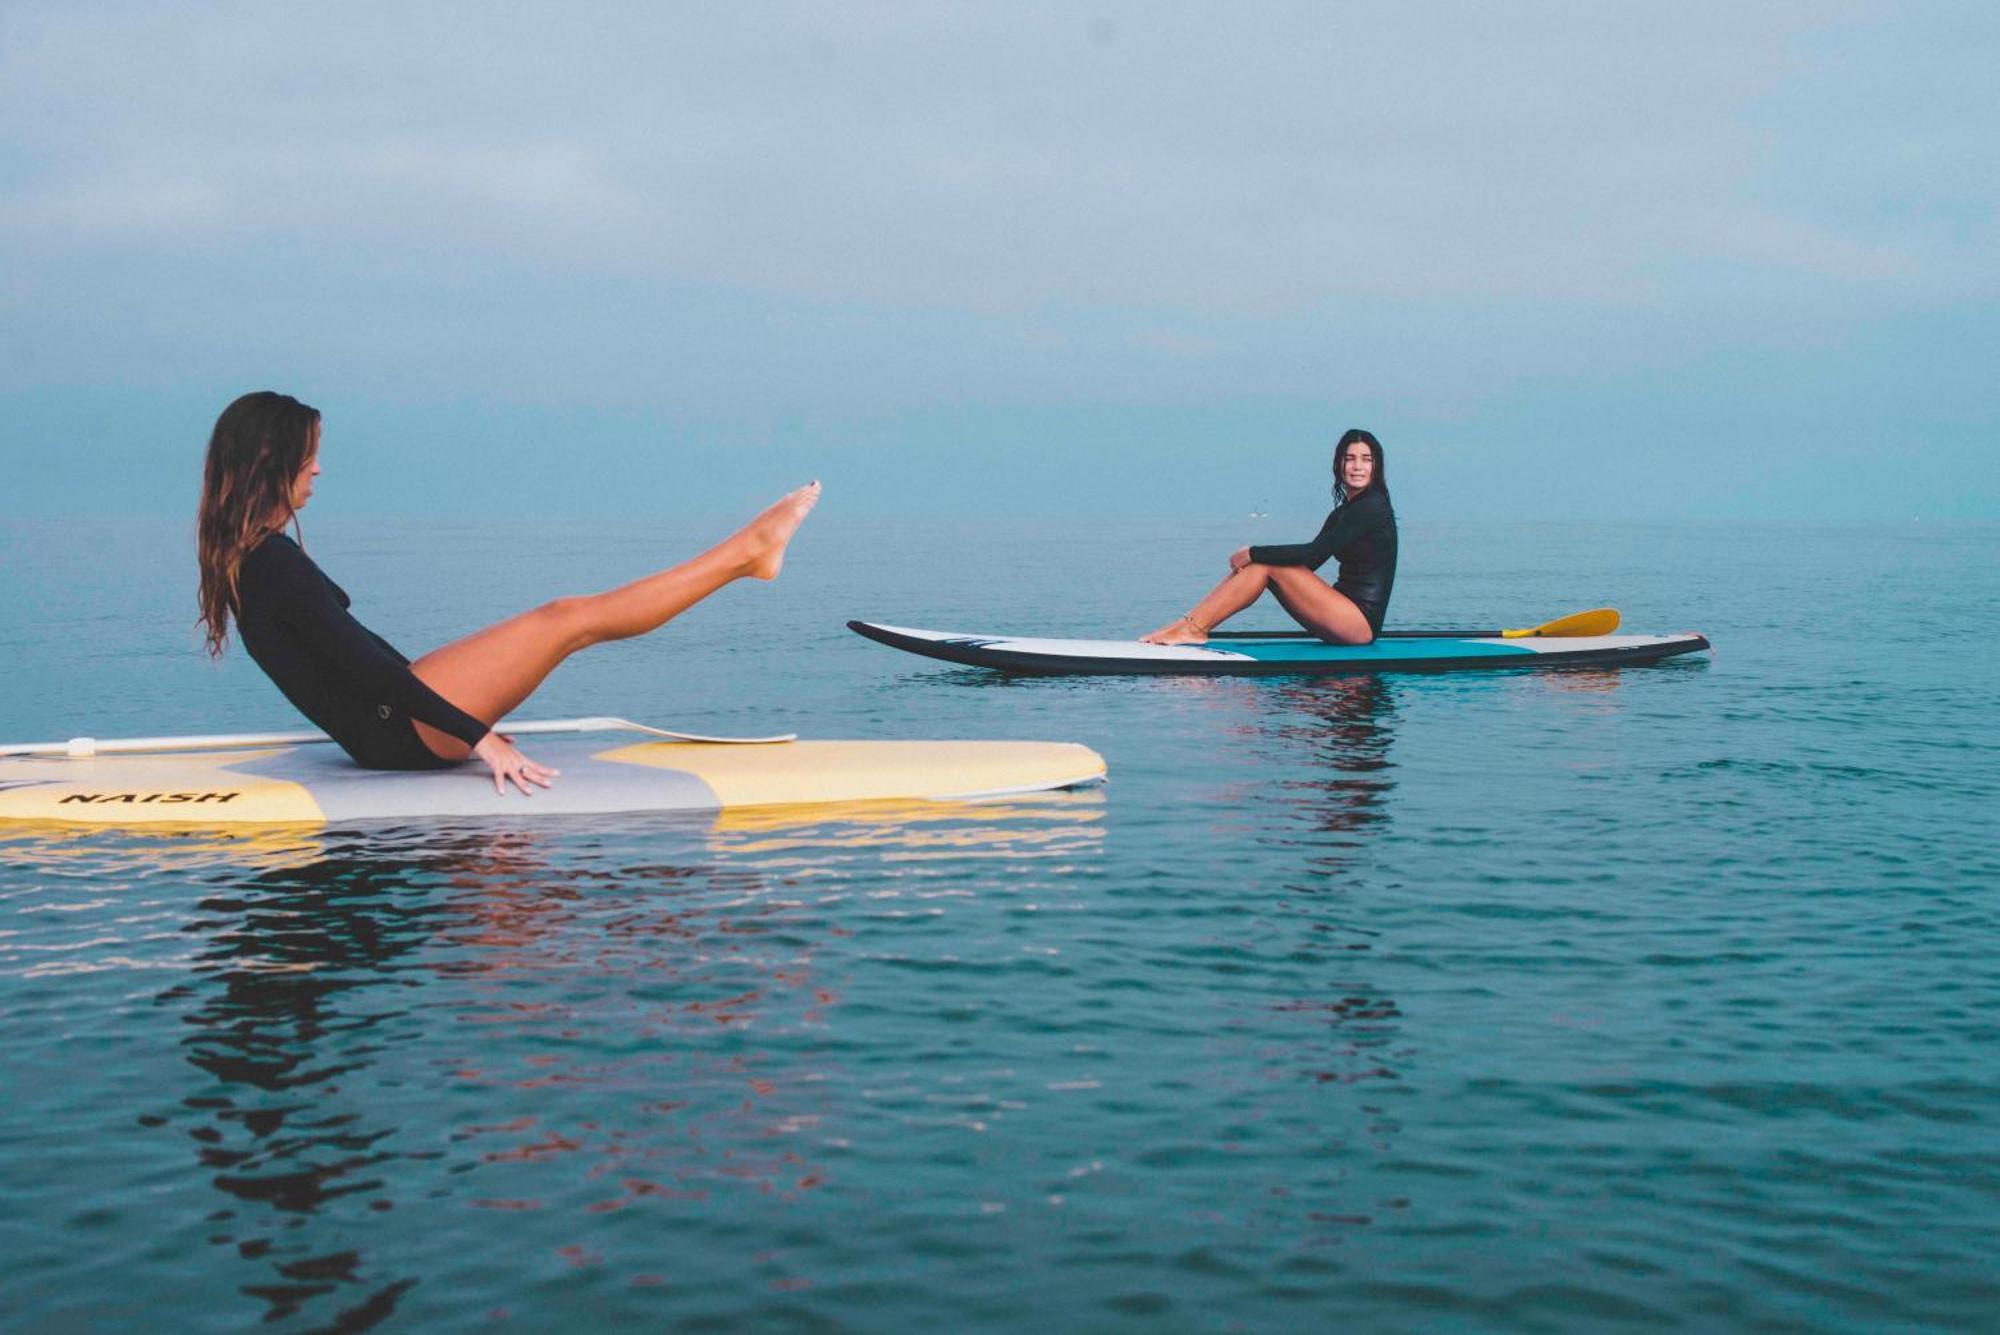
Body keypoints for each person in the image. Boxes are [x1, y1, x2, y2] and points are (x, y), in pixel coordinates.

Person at [195, 391, 819, 795]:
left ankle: (746, 556)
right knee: (570, 618)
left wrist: (461, 712)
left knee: (568, 617)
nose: (319, 470)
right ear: (271, 459)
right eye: (310, 456)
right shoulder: (268, 562)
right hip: (397, 733)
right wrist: (475, 736)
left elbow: (359, 658)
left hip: (396, 722)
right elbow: (361, 666)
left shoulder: (252, 560)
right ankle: (746, 555)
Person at [1141, 428, 1396, 646]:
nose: (1357, 466)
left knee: (1263, 563)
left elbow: (1311, 553)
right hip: (1341, 615)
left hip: (1359, 623)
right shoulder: (1344, 512)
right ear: (1339, 464)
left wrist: (1253, 553)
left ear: (1376, 465)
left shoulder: (1372, 507)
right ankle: (1187, 625)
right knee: (1261, 565)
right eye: (1350, 458)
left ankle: (1194, 628)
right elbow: (1309, 565)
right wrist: (1255, 560)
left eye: (1366, 459)